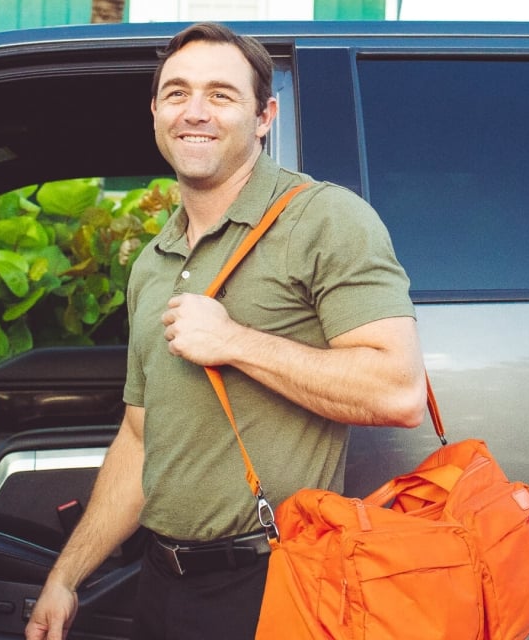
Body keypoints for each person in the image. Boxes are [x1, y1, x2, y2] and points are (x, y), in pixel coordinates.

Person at [25, 22, 426, 640]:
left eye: (221, 94)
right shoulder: (153, 261)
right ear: (156, 111)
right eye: (178, 92)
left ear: (264, 117)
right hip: (161, 585)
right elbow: (139, 438)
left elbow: (397, 391)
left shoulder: (322, 218)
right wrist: (67, 576)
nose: (196, 112)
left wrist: (235, 341)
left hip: (274, 583)